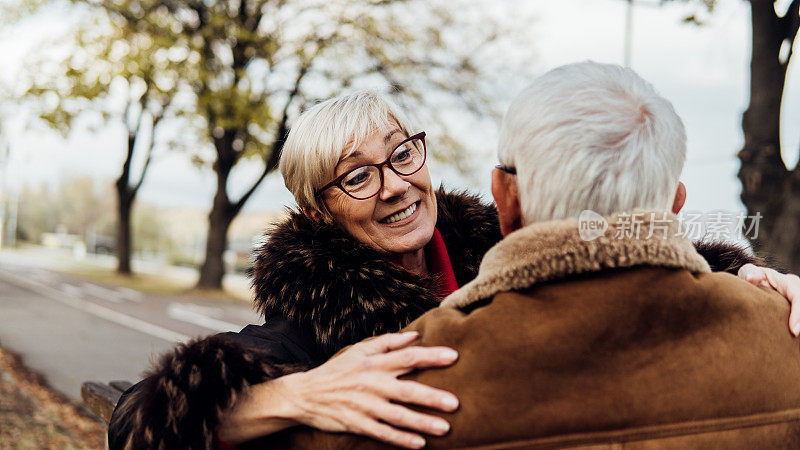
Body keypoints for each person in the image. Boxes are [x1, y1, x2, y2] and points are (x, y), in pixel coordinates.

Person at [108, 89, 800, 450]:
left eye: (402, 153)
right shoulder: (314, 324)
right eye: (356, 176)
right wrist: (288, 396)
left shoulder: (492, 246)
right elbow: (136, 422)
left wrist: (739, 278)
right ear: (319, 212)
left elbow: (605, 253)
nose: (394, 185)